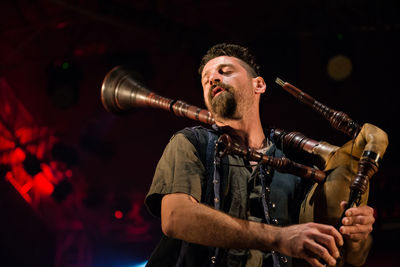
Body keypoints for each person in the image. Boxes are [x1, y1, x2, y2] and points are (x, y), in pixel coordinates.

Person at [144, 43, 375, 267]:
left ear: (259, 85)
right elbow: (176, 217)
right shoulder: (190, 142)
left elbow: (354, 258)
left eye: (225, 71)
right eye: (206, 79)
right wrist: (278, 237)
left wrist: (357, 237)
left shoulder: (297, 164)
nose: (213, 78)